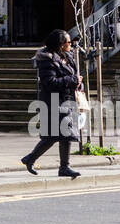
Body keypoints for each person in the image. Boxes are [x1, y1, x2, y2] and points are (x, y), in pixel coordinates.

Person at [20, 29, 82, 178]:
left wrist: (79, 83)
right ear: (60, 44)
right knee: (54, 136)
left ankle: (59, 166)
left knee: (64, 134)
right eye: (68, 42)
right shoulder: (47, 59)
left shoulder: (67, 56)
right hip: (53, 101)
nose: (71, 44)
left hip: (67, 100)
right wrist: (73, 81)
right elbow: (50, 83)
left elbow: (73, 75)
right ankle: (39, 160)